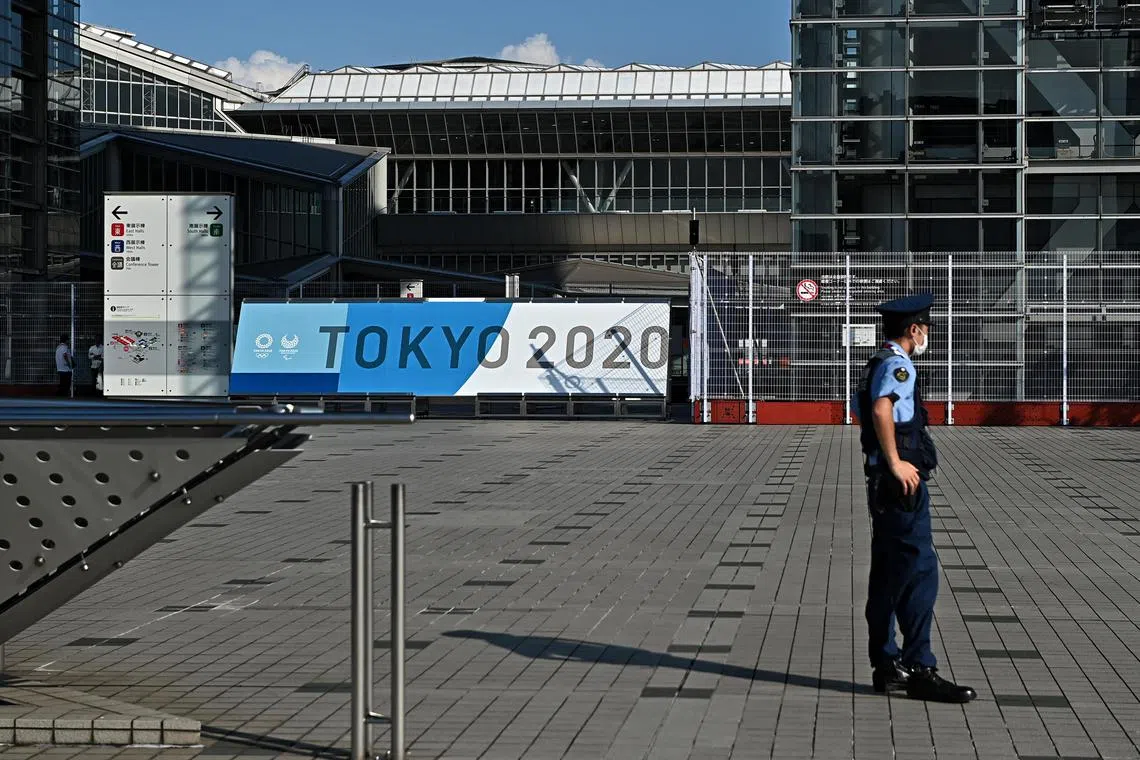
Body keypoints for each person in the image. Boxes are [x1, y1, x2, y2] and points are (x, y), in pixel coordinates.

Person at [853, 293, 976, 704]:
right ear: (914, 330)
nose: (927, 336)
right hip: (900, 484)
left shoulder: (878, 361)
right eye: (926, 329)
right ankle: (921, 667)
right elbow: (882, 409)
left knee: (889, 571)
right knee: (920, 570)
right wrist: (896, 463)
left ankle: (888, 666)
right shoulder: (898, 365)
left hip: (884, 484)